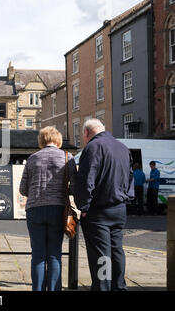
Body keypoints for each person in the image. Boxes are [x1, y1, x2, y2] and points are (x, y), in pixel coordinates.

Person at [75, 119, 134, 291]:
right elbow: (129, 178)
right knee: (116, 251)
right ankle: (119, 287)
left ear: (86, 133)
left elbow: (87, 181)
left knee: (101, 254)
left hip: (98, 211)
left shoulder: (93, 147)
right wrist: (126, 199)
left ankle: (102, 288)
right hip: (119, 209)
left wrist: (83, 207)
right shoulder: (122, 147)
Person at [19, 126, 77, 291]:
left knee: (37, 254)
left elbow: (23, 189)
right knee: (54, 253)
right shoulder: (67, 157)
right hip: (58, 209)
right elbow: (74, 187)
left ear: (41, 140)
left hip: (35, 209)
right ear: (58, 140)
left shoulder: (32, 158)